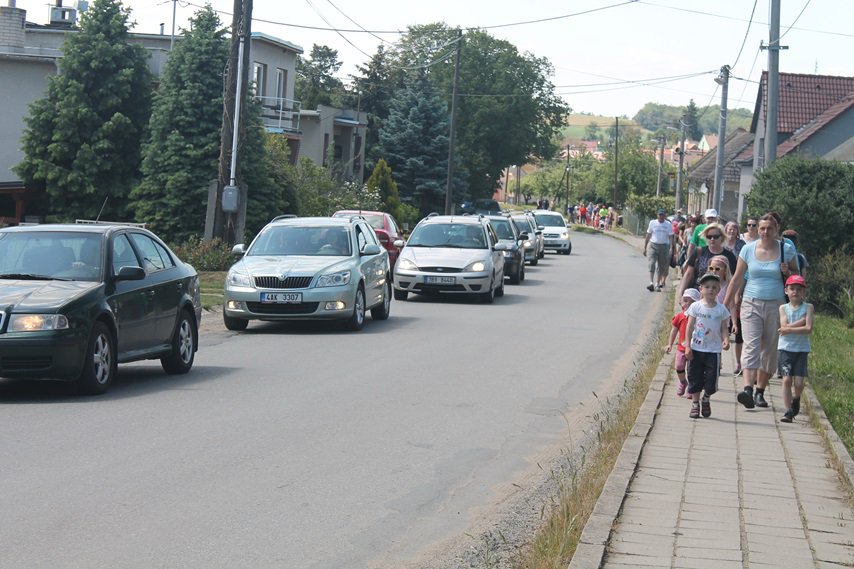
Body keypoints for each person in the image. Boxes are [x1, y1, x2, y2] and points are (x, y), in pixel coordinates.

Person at [725, 213, 799, 409]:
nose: (766, 232)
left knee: (770, 349)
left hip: (777, 305)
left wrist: (787, 272)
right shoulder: (748, 250)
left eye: (770, 228)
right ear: (757, 229)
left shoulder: (786, 249)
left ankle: (760, 391)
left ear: (776, 230)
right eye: (762, 228)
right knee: (751, 345)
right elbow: (737, 278)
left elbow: (797, 278)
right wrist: (724, 305)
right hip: (751, 303)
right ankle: (747, 389)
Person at [684, 273, 731, 418]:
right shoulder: (695, 307)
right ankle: (695, 404)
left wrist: (726, 339)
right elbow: (690, 326)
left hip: (713, 350)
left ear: (718, 290)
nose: (710, 290)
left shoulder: (721, 309)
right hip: (696, 348)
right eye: (707, 287)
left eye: (714, 287)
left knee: (711, 379)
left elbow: (724, 327)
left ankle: (706, 399)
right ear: (701, 289)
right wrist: (687, 346)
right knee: (694, 377)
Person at [777, 275, 814, 423]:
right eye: (792, 289)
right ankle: (788, 411)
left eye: (799, 289)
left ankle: (796, 398)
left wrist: (788, 329)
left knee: (798, 383)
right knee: (786, 379)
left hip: (801, 349)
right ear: (786, 290)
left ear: (804, 292)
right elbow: (783, 323)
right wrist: (801, 321)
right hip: (785, 348)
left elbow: (808, 328)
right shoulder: (783, 308)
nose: (795, 292)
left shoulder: (809, 307)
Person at [677, 223, 737, 299]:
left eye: (715, 237)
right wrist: (680, 293)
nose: (712, 239)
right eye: (709, 237)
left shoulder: (729, 256)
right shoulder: (699, 251)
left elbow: (733, 279)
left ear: (721, 237)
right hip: (698, 293)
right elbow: (688, 274)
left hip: (721, 295)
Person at [666, 288, 702, 398]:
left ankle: (691, 387)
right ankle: (683, 381)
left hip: (694, 348)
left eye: (691, 302)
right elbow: (674, 331)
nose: (687, 304)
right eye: (685, 300)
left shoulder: (699, 317)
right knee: (679, 366)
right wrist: (670, 344)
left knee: (691, 369)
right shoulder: (680, 316)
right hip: (682, 347)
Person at [643, 208, 676, 292]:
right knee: (652, 263)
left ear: (665, 216)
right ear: (657, 215)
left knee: (661, 266)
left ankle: (657, 284)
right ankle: (651, 283)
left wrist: (672, 248)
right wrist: (645, 247)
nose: (661, 216)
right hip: (653, 245)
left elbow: (671, 236)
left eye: (663, 215)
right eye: (660, 215)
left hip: (663, 246)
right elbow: (648, 234)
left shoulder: (668, 224)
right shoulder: (652, 223)